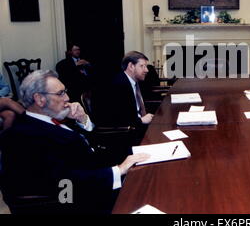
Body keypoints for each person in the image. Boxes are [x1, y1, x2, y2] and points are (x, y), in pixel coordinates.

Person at [0, 70, 149, 214]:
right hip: (78, 202)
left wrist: (83, 120)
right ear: (39, 99)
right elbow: (64, 182)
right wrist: (118, 170)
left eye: (65, 91)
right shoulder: (25, 135)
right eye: (60, 93)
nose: (67, 98)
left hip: (95, 180)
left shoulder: (52, 119)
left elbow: (90, 149)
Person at [94, 51, 153, 141]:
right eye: (142, 66)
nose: (146, 70)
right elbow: (115, 118)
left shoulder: (136, 82)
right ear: (131, 66)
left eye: (146, 66)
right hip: (126, 134)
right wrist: (141, 121)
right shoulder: (117, 86)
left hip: (138, 126)